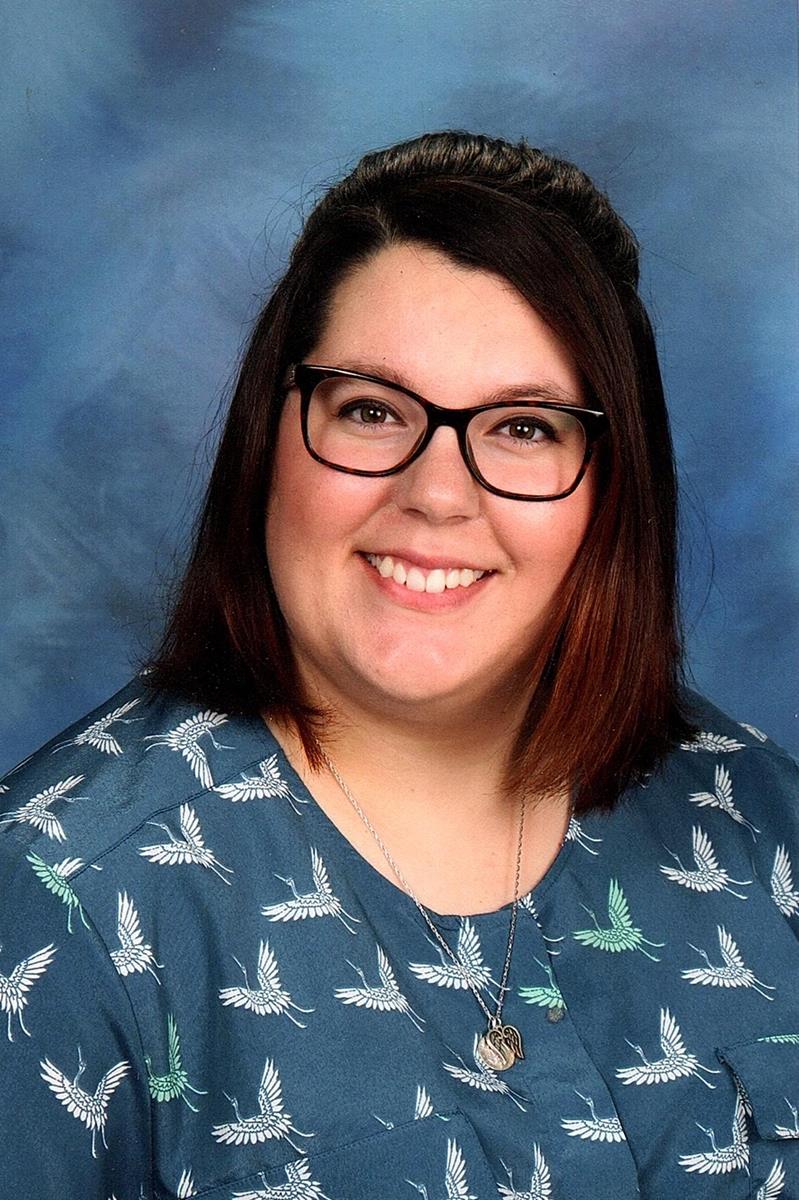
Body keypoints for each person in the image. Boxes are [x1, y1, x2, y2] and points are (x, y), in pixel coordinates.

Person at [1, 131, 797, 1200]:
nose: (436, 494)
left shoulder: (760, 822)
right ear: (269, 437)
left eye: (523, 427)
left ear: (612, 488)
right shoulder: (61, 899)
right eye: (372, 411)